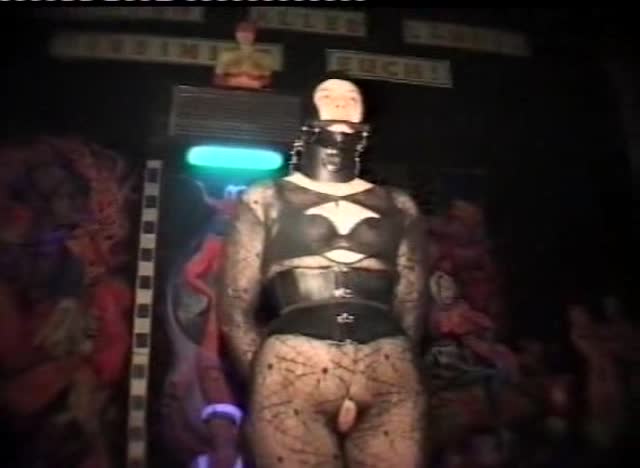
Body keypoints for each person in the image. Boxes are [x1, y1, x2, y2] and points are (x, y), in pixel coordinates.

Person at [200, 74, 429, 467]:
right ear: (309, 116)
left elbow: (412, 300)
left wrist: (397, 360)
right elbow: (235, 306)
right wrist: (266, 375)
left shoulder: (398, 205)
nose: (341, 103)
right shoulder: (266, 197)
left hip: (387, 367)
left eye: (351, 97)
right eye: (329, 95)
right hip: (293, 367)